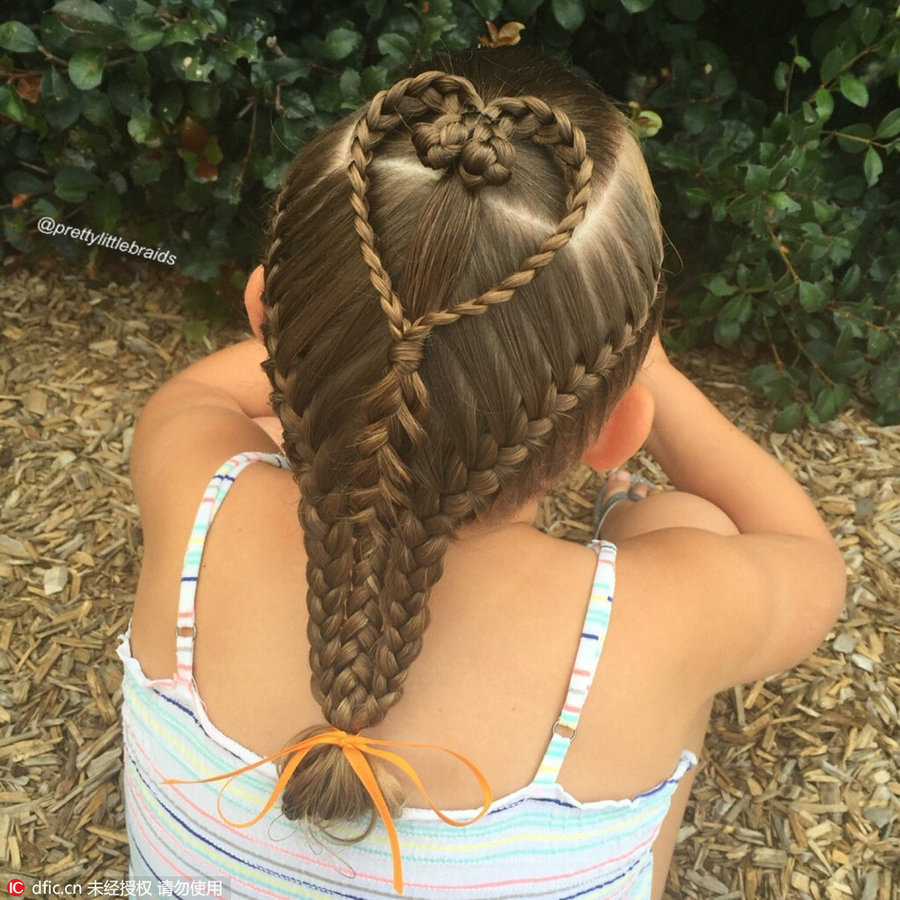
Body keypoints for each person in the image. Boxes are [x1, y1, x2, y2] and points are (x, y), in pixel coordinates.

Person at [118, 46, 846, 900]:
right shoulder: (653, 621)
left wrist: (346, 359)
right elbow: (805, 556)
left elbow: (203, 392)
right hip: (620, 581)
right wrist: (648, 373)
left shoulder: (193, 477)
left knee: (281, 433)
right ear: (616, 429)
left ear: (259, 314)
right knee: (688, 530)